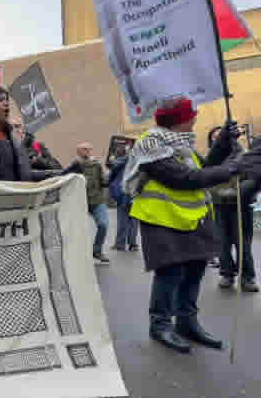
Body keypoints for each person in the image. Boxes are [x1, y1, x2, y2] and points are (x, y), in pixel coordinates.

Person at [123, 97, 260, 353]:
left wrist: (221, 144)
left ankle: (186, 322)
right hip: (161, 219)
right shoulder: (151, 145)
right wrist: (231, 168)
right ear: (179, 120)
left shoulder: (181, 145)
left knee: (196, 269)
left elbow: (204, 168)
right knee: (170, 273)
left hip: (190, 218)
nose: (195, 118)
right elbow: (184, 179)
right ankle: (160, 324)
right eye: (191, 115)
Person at [207, 126, 259, 292]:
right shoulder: (211, 159)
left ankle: (247, 277)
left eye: (220, 136)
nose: (217, 139)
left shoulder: (243, 155)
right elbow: (205, 179)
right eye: (214, 137)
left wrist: (239, 190)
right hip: (219, 205)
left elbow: (254, 177)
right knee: (222, 242)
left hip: (240, 205)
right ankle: (227, 274)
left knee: (242, 242)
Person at [65, 142, 110, 264]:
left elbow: (104, 181)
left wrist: (112, 174)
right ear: (78, 151)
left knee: (103, 225)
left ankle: (97, 250)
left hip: (97, 200)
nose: (87, 151)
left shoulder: (97, 165)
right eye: (84, 149)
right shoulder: (75, 165)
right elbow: (65, 179)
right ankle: (78, 253)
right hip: (80, 202)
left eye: (89, 149)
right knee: (78, 230)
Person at [108, 145, 139, 252]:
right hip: (135, 193)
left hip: (124, 194)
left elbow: (113, 168)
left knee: (123, 219)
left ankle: (120, 244)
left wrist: (112, 160)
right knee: (133, 220)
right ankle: (133, 244)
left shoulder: (124, 160)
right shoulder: (139, 160)